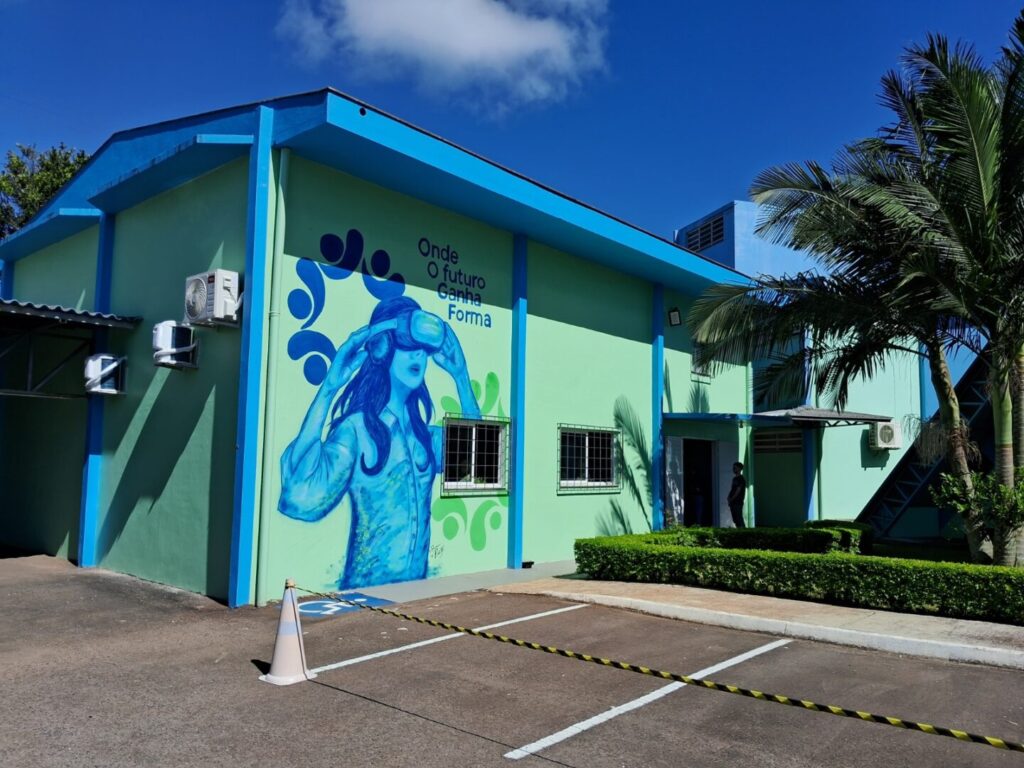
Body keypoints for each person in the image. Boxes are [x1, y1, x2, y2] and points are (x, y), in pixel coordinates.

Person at [278, 296, 479, 589]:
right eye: (407, 344)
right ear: (382, 348)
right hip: (365, 600)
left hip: (417, 597)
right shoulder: (356, 431)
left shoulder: (425, 437)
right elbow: (300, 498)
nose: (418, 355)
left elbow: (476, 462)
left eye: (423, 349)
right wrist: (329, 387)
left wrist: (461, 376)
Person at [727, 462, 747, 528]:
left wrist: (732, 498)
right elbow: (733, 489)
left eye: (735, 468)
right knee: (735, 519)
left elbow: (738, 490)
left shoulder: (741, 479)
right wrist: (729, 497)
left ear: (739, 469)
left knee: (739, 518)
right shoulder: (734, 479)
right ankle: (739, 530)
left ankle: (743, 531)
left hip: (738, 501)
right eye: (733, 468)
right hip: (733, 502)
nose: (733, 469)